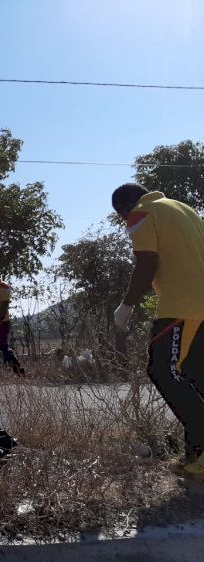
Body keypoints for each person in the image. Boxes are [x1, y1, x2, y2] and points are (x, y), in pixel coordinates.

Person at [112, 183, 204, 477]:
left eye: (121, 216)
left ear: (124, 209)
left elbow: (147, 262)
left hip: (181, 307)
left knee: (162, 370)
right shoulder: (186, 211)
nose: (125, 221)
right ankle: (195, 456)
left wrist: (127, 305)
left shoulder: (142, 213)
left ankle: (202, 449)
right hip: (199, 307)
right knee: (193, 374)